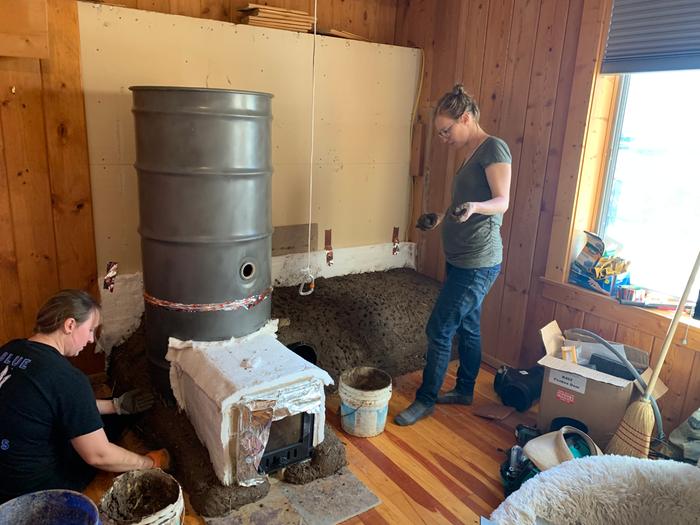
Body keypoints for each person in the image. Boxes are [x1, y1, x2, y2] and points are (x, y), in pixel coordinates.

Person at [394, 84, 512, 426]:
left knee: (440, 328)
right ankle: (463, 390)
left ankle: (426, 399)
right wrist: (442, 216)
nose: (444, 138)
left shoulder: (494, 148)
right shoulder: (470, 152)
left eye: (447, 131)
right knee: (469, 326)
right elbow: (467, 203)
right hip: (460, 257)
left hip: (478, 262)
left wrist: (475, 207)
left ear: (466, 118)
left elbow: (501, 201)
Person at [0, 289, 169, 503]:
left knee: (112, 415)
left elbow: (46, 402)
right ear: (70, 325)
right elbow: (99, 455)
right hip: (33, 490)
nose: (90, 340)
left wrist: (115, 406)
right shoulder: (67, 378)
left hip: (5, 470)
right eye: (91, 330)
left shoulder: (10, 349)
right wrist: (149, 462)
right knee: (108, 432)